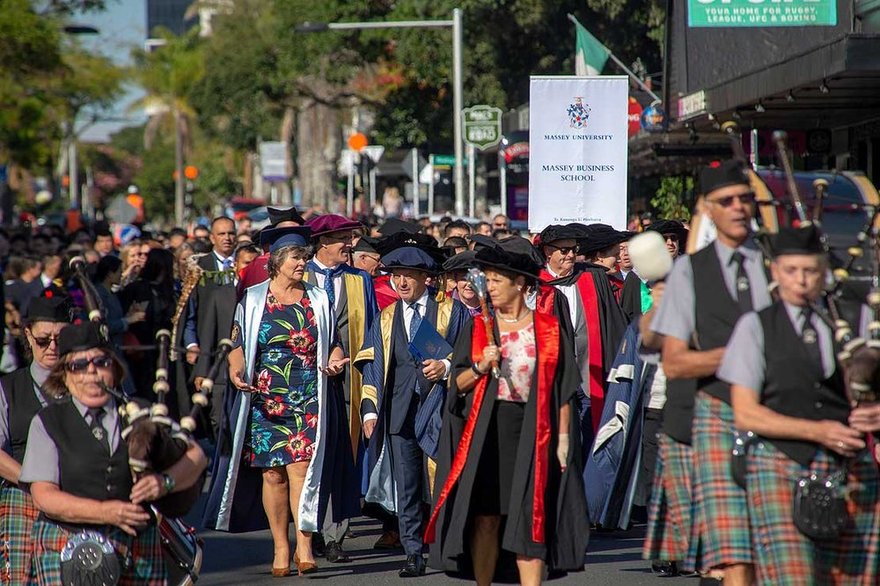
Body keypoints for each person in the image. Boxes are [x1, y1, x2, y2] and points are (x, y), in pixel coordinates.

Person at [721, 224, 880, 584]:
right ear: (775, 272)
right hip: (779, 464)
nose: (801, 281)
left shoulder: (859, 320)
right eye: (791, 271)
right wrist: (817, 430)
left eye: (810, 271)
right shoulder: (756, 326)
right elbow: (745, 411)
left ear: (824, 272)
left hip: (852, 467)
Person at [426, 244, 589, 584]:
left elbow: (563, 389)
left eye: (498, 279)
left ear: (521, 283)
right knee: (487, 518)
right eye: (487, 279)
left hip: (533, 432)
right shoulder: (478, 329)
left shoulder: (547, 329)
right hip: (488, 433)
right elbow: (458, 383)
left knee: (530, 519)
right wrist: (481, 365)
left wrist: (562, 440)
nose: (490, 286)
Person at [205, 227, 358, 577]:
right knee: (273, 475)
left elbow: (332, 341)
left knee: (302, 471)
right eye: (296, 258)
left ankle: (304, 544)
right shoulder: (254, 298)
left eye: (305, 257)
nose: (303, 263)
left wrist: (335, 359)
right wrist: (236, 370)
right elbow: (238, 343)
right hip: (265, 398)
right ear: (276, 263)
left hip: (307, 395)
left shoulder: (318, 298)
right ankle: (280, 545)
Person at [650, 160, 771, 584]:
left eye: (745, 199)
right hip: (714, 418)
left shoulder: (779, 261)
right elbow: (675, 361)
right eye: (726, 201)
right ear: (708, 209)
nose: (738, 208)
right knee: (732, 558)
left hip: (778, 419)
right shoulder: (689, 271)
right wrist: (744, 352)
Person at [19, 322, 206, 585]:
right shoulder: (47, 421)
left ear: (115, 368)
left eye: (100, 361)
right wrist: (106, 512)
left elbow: (196, 456)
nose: (91, 371)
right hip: (65, 543)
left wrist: (164, 482)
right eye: (79, 365)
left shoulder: (139, 412)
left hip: (138, 545)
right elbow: (43, 496)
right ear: (64, 375)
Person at [355, 243, 470, 577]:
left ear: (426, 278)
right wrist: (370, 410)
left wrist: (447, 367)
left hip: (440, 408)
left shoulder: (450, 310)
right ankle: (412, 552)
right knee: (406, 485)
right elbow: (374, 364)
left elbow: (467, 355)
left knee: (444, 479)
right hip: (400, 411)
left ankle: (446, 546)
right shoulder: (387, 317)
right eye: (396, 275)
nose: (401, 282)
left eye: (408, 275)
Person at [303, 213, 379, 560]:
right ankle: (310, 529)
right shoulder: (298, 276)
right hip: (306, 379)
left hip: (348, 379)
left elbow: (373, 332)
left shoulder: (359, 280)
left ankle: (334, 536)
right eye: (342, 239)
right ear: (322, 243)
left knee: (343, 455)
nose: (349, 245)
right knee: (310, 455)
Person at [537, 224, 627, 451]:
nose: (570, 255)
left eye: (573, 250)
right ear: (548, 252)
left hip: (590, 374)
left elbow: (614, 325)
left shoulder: (592, 278)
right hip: (555, 378)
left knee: (590, 437)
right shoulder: (536, 283)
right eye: (564, 250)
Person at [0, 297, 70, 584]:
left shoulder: (89, 382)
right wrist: (34, 483)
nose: (52, 346)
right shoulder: (9, 388)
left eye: (60, 338)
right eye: (43, 339)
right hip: (23, 496)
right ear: (28, 335)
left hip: (79, 496)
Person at [191, 217, 238, 437]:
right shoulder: (200, 268)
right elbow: (189, 312)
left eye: (231, 233)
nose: (227, 238)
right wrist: (193, 346)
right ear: (212, 238)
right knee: (217, 417)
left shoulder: (246, 264)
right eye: (222, 234)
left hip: (240, 350)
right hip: (210, 346)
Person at [442, 251, 482, 318]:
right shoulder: (442, 307)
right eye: (464, 279)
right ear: (456, 279)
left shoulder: (493, 309)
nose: (469, 284)